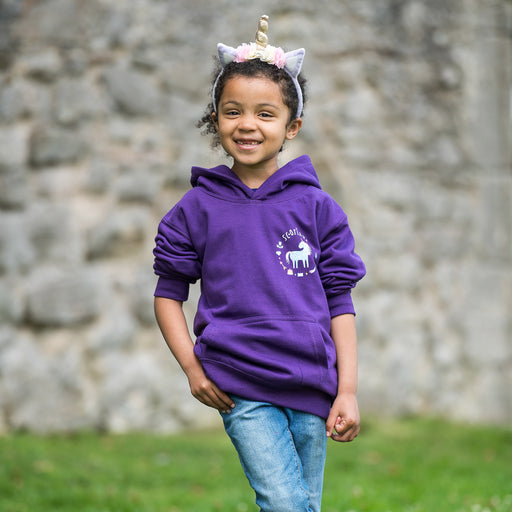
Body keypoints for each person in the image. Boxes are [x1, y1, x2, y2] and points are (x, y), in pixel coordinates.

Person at [153, 15, 366, 512]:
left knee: (304, 505)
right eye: (233, 111)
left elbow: (341, 302)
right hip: (240, 383)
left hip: (313, 384)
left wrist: (348, 390)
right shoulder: (195, 209)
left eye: (265, 114)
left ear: (291, 126)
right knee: (285, 502)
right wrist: (192, 367)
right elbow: (168, 295)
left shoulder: (316, 208)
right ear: (216, 119)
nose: (248, 124)